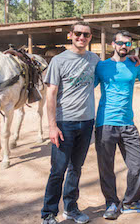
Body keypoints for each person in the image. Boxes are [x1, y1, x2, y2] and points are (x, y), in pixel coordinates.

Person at [41, 21, 101, 224]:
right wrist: (52, 126)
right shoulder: (59, 61)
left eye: (86, 34)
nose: (81, 38)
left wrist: (132, 59)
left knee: (76, 167)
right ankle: (48, 213)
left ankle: (71, 208)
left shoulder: (94, 59)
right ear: (70, 35)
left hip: (86, 123)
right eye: (78, 33)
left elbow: (113, 67)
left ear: (91, 37)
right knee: (58, 170)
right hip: (64, 122)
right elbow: (51, 94)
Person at [94, 30, 140, 220]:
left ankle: (130, 202)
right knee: (106, 167)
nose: (124, 46)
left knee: (139, 161)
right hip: (105, 123)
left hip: (127, 123)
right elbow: (87, 87)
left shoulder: (134, 64)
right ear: (113, 44)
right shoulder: (102, 66)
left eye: (127, 44)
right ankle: (111, 203)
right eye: (121, 43)